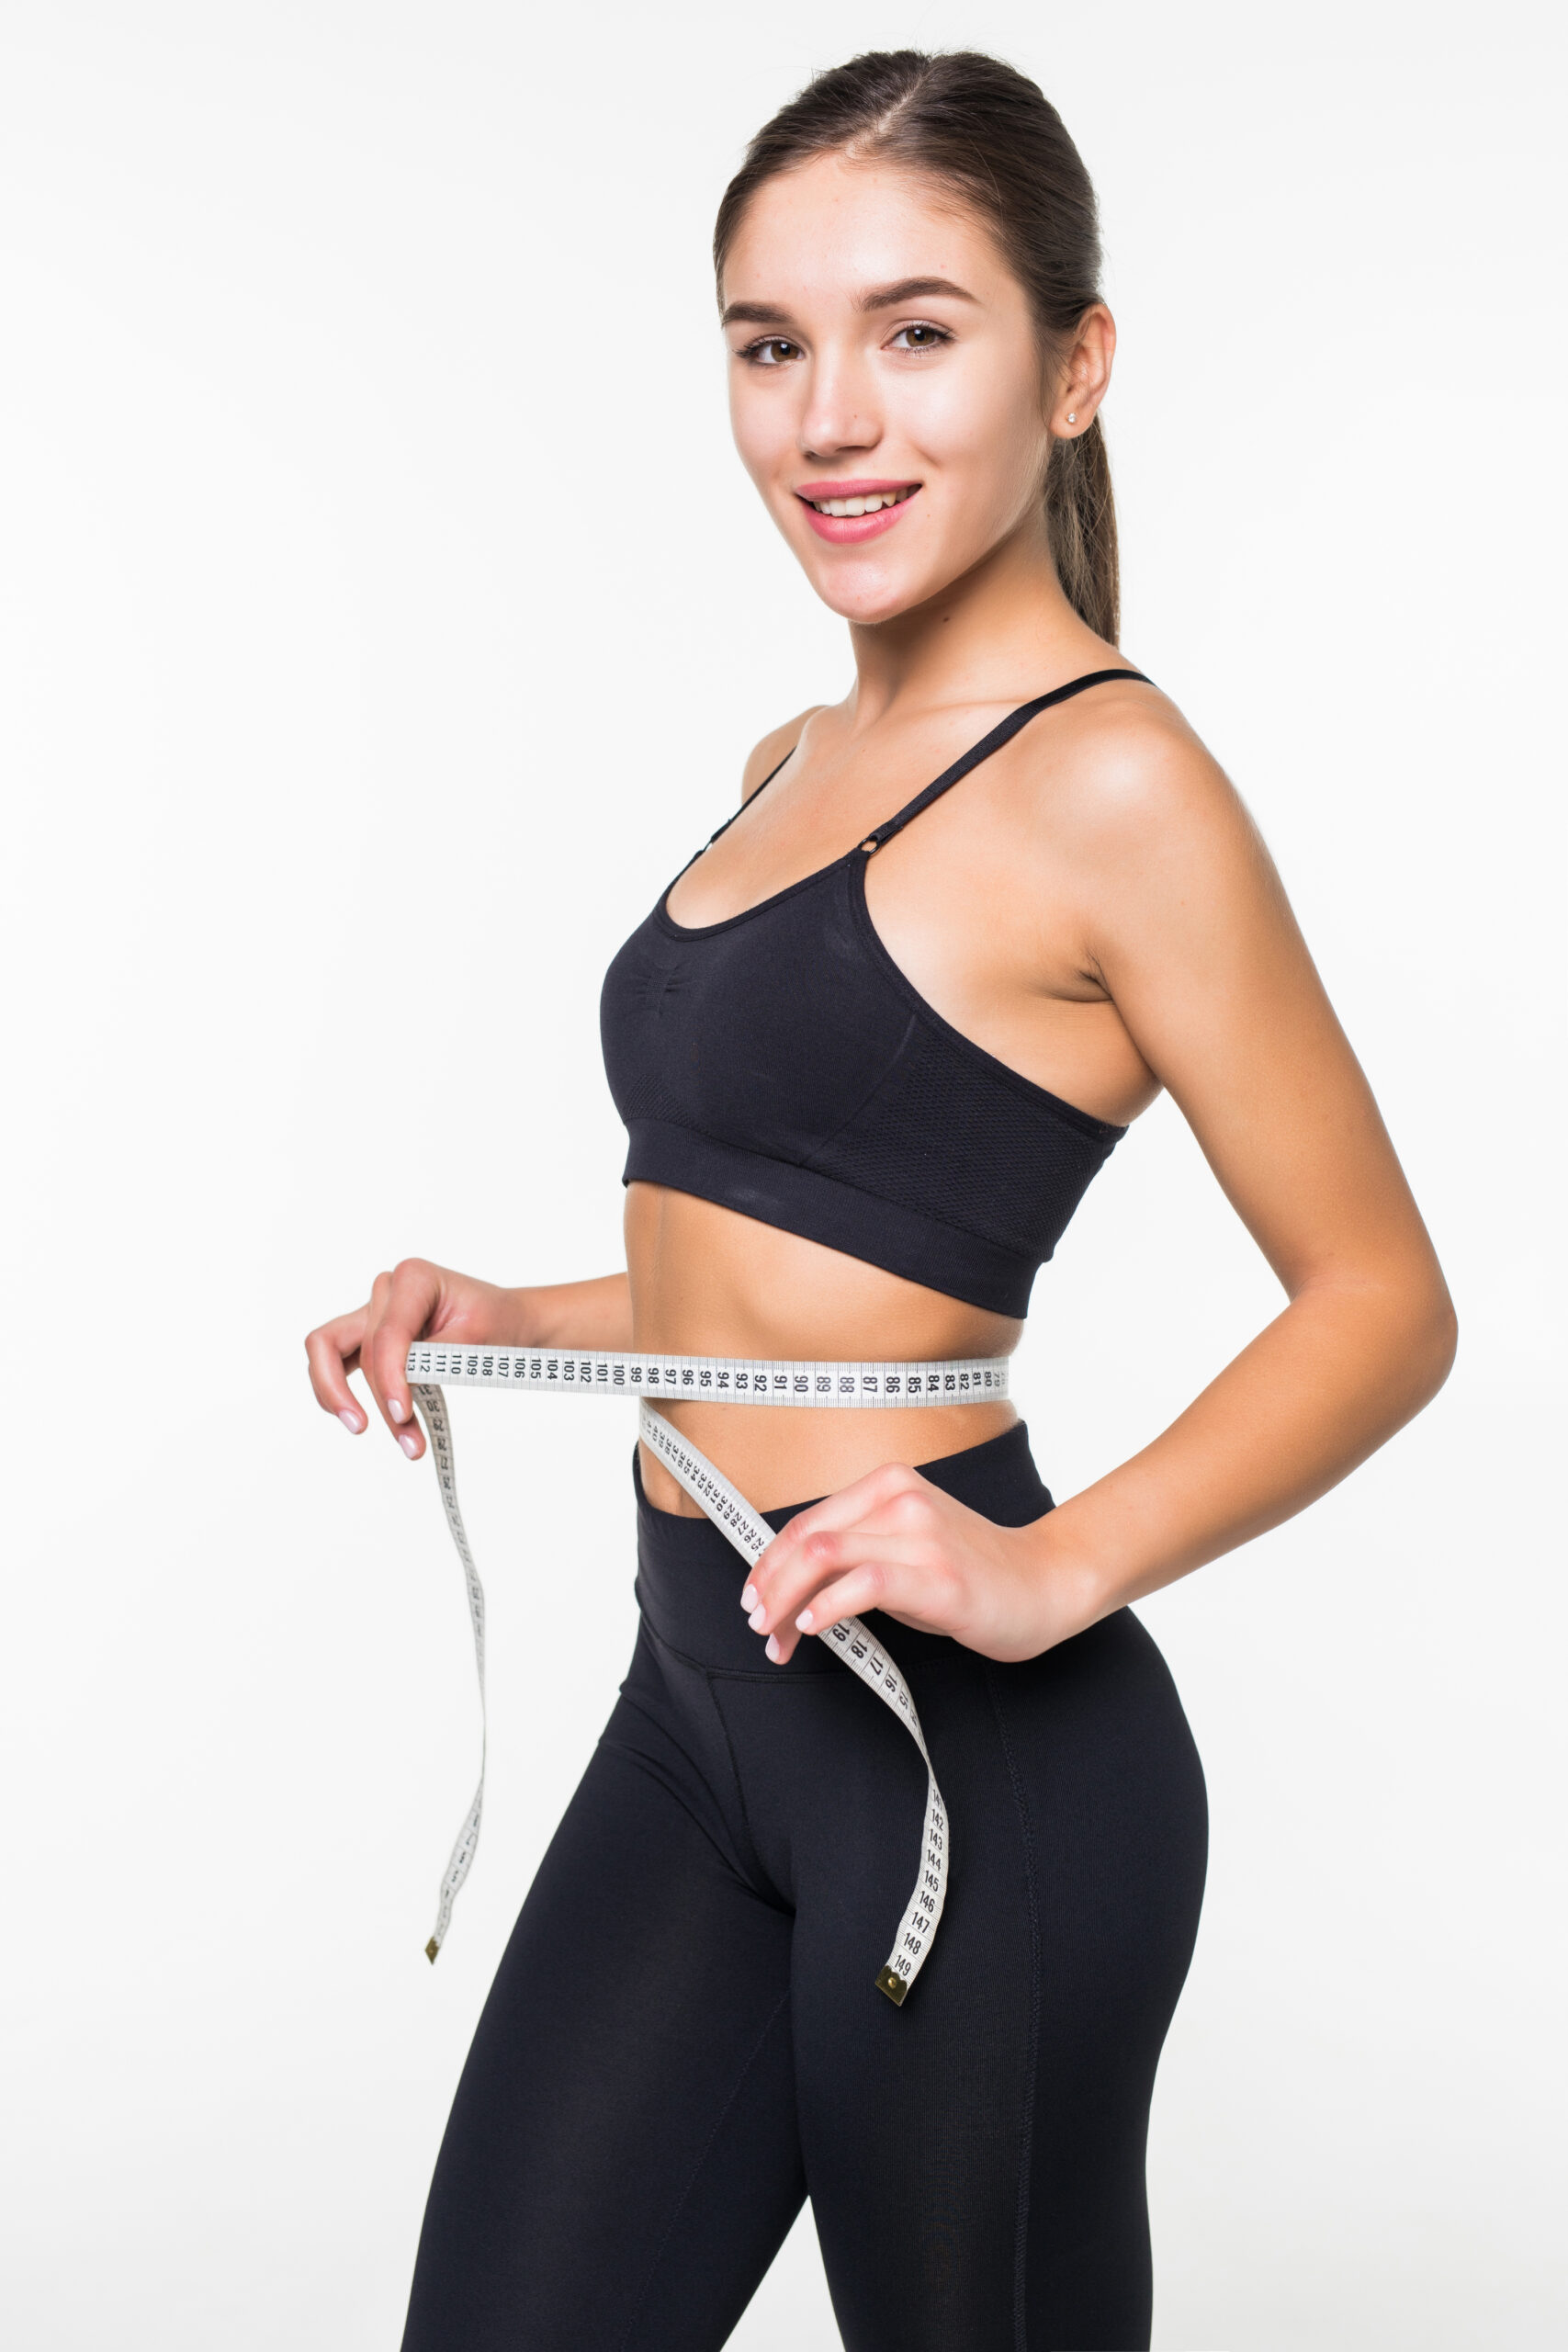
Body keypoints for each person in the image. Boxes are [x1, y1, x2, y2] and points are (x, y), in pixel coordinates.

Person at [304, 49, 1455, 2352]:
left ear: (1073, 364)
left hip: (974, 1776)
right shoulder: (790, 762)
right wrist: (495, 1307)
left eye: (915, 329)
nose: (831, 413)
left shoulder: (1114, 783)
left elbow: (1378, 1299)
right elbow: (785, 1251)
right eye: (769, 341)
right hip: (699, 1707)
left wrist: (1049, 1567)